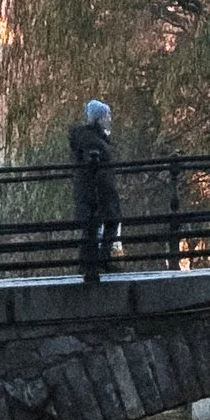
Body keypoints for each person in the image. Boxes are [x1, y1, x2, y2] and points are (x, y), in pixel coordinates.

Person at [70, 97, 120, 282]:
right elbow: (93, 163)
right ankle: (99, 262)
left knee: (96, 224)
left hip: (96, 189)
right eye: (106, 115)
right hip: (99, 190)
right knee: (106, 221)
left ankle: (93, 262)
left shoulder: (87, 137)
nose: (109, 119)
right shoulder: (93, 139)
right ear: (99, 119)